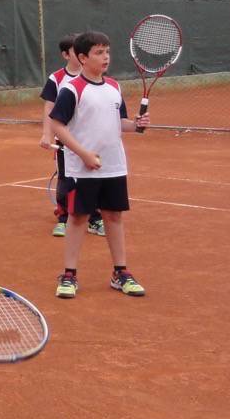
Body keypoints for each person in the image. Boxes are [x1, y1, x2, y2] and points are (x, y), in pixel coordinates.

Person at [47, 31, 149, 299]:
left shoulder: (114, 86)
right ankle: (69, 274)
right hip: (82, 169)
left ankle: (120, 272)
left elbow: (120, 123)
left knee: (114, 216)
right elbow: (57, 125)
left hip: (114, 166)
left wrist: (136, 125)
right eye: (99, 52)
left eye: (107, 52)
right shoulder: (71, 89)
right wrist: (83, 154)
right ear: (82, 58)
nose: (106, 57)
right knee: (78, 218)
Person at [39, 34, 103, 238]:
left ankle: (94, 218)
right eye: (76, 51)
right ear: (66, 55)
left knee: (94, 179)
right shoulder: (56, 79)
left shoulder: (95, 78)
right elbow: (49, 108)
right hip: (65, 140)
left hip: (91, 140)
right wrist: (47, 134)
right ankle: (64, 218)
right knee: (66, 179)